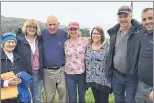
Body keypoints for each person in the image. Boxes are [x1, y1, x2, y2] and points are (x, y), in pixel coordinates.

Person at [106, 5, 143, 103]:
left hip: (132, 77)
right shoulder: (114, 33)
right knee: (118, 100)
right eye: (120, 16)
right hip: (117, 76)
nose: (123, 19)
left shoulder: (139, 33)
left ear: (131, 16)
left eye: (125, 16)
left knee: (130, 101)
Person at [15, 19, 43, 103]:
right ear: (25, 28)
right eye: (29, 26)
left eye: (34, 27)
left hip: (37, 73)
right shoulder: (19, 40)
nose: (32, 29)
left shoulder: (39, 40)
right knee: (25, 97)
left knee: (37, 98)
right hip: (24, 73)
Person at [41, 15, 68, 102]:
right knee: (49, 96)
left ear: (58, 24)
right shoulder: (42, 34)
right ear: (46, 25)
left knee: (63, 95)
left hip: (61, 69)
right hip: (47, 71)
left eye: (54, 24)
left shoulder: (64, 34)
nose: (52, 27)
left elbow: (75, 40)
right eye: (50, 24)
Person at [64, 22, 90, 103]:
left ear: (78, 30)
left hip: (82, 74)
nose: (73, 31)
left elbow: (97, 41)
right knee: (72, 98)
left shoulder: (85, 41)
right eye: (71, 29)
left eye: (75, 29)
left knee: (82, 98)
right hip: (69, 75)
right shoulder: (66, 43)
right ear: (68, 30)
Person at [85, 26, 111, 103]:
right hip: (92, 79)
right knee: (97, 100)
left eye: (98, 34)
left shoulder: (107, 47)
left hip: (104, 80)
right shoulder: (88, 47)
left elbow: (110, 62)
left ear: (102, 35)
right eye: (94, 33)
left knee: (103, 101)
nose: (95, 35)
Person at [135, 8, 153, 103]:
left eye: (150, 18)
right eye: (144, 19)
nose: (147, 22)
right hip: (141, 85)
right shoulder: (144, 34)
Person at [1, 32, 23, 103]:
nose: (11, 44)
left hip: (16, 93)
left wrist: (19, 80)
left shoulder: (18, 57)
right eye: (8, 42)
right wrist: (6, 83)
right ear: (3, 43)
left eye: (13, 42)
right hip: (3, 95)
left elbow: (21, 72)